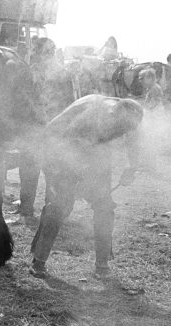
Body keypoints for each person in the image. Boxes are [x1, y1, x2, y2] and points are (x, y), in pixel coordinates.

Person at [29, 95, 145, 278]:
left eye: (127, 128)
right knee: (60, 205)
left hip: (91, 155)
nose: (123, 131)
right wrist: (79, 180)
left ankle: (102, 265)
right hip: (57, 148)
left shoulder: (129, 116)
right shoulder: (92, 116)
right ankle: (39, 260)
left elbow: (133, 140)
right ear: (112, 116)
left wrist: (132, 168)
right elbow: (68, 147)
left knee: (105, 207)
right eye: (121, 128)